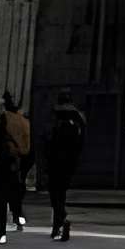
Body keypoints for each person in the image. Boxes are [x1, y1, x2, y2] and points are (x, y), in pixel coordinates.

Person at [0, 89, 32, 243]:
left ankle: (1, 234)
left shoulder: (1, 119)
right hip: (18, 161)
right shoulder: (24, 122)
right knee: (15, 192)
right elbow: (29, 147)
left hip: (3, 161)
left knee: (0, 198)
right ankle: (19, 216)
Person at [43, 89, 88, 241]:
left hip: (55, 161)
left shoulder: (56, 117)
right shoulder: (78, 120)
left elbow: (48, 140)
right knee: (60, 193)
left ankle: (59, 220)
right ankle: (58, 223)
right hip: (69, 162)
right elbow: (81, 144)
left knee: (55, 194)